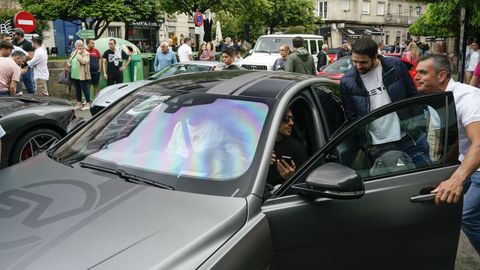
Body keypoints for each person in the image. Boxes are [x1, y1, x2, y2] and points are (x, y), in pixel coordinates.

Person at [415, 54, 480, 255]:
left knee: (467, 217)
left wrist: (457, 179)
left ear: (441, 75)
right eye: (417, 72)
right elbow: (458, 141)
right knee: (441, 203)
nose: (416, 76)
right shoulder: (440, 99)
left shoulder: (466, 97)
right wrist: (443, 173)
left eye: (423, 72)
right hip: (467, 162)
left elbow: (479, 143)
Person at [339, 37, 428, 164]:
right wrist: (367, 144)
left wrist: (419, 124)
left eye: (363, 62)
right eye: (355, 61)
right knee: (393, 182)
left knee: (425, 172)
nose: (358, 66)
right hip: (378, 145)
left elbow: (413, 96)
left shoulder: (396, 66)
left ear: (375, 57)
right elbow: (353, 117)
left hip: (409, 136)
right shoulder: (347, 82)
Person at [267, 108, 308, 188]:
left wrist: (291, 178)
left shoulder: (297, 149)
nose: (291, 123)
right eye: (286, 119)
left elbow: (304, 184)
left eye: (292, 119)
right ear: (274, 119)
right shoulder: (255, 144)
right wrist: (260, 162)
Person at [69, 40, 91, 110]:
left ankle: (88, 104)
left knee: (85, 90)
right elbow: (70, 60)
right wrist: (68, 63)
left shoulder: (86, 53)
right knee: (77, 90)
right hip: (74, 75)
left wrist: (78, 55)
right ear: (76, 46)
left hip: (82, 75)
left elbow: (85, 61)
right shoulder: (73, 53)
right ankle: (79, 103)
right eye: (78, 46)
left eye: (81, 45)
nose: (80, 47)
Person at [12, 28, 35, 94]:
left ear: (19, 35)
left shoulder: (28, 44)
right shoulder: (13, 43)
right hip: (15, 65)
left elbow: (31, 56)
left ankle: (32, 95)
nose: (12, 36)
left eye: (14, 35)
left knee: (27, 81)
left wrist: (21, 60)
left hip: (25, 65)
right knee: (17, 81)